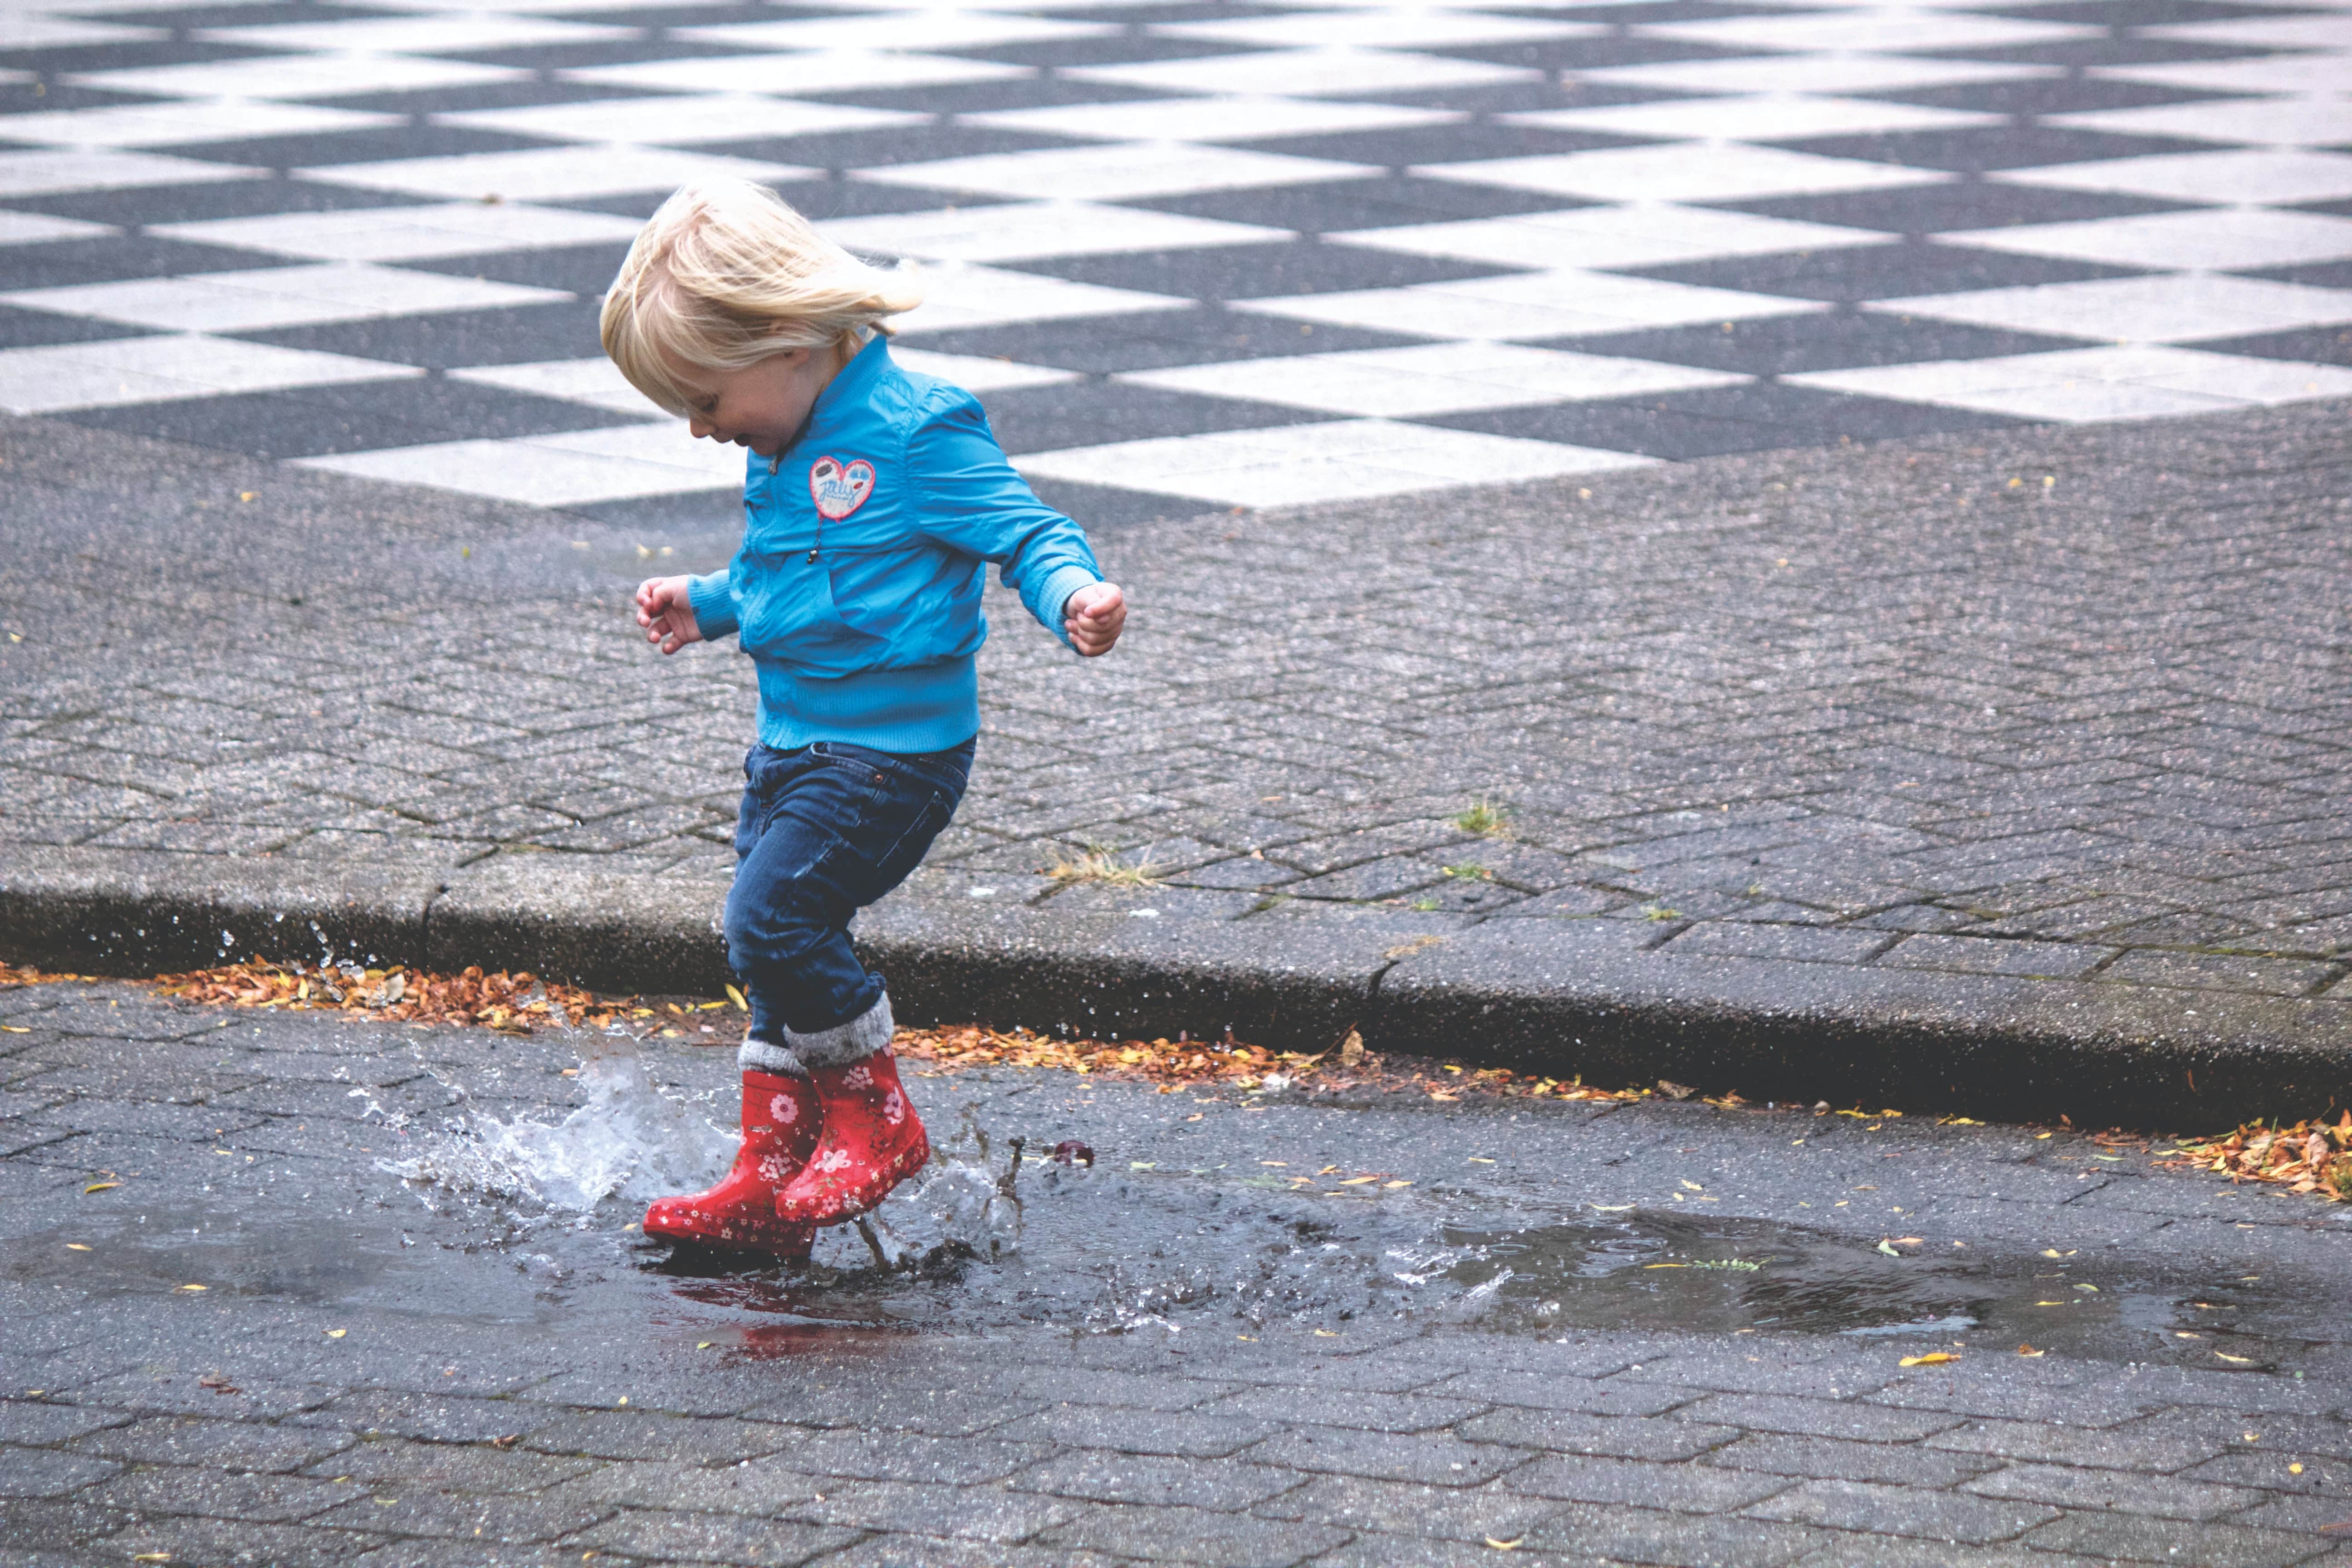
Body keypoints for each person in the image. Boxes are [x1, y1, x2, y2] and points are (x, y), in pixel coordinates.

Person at [599, 177, 1126, 1256]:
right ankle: (773, 1163)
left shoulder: (917, 429)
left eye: (705, 400)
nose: (701, 429)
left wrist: (1073, 592)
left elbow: (1025, 530)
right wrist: (707, 603)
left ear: (789, 343)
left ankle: (878, 1124)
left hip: (893, 760)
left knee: (771, 922)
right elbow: (785, 576)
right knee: (774, 951)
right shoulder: (781, 446)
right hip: (791, 748)